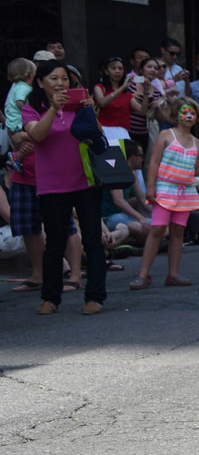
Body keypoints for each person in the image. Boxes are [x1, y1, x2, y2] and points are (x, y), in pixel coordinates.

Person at [22, 60, 108, 315]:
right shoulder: (31, 108)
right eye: (54, 78)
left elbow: (98, 136)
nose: (60, 83)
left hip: (86, 181)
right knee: (55, 243)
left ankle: (95, 297)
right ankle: (51, 298)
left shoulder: (79, 104)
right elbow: (37, 135)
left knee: (92, 240)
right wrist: (53, 108)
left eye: (64, 78)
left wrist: (90, 112)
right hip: (52, 186)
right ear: (40, 82)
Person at [130, 100, 199, 289]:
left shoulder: (196, 142)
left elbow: (194, 170)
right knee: (157, 229)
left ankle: (173, 274)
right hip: (165, 188)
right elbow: (154, 162)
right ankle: (143, 275)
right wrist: (151, 187)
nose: (189, 116)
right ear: (176, 115)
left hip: (185, 191)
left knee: (178, 231)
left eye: (193, 113)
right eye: (185, 112)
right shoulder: (166, 135)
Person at [91, 56, 134, 141]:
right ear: (106, 71)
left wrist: (146, 91)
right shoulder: (99, 87)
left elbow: (142, 110)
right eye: (113, 68)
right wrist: (122, 87)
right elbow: (102, 103)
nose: (117, 71)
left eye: (120, 68)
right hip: (104, 130)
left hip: (123, 132)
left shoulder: (127, 94)